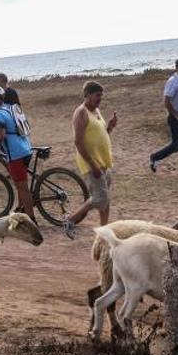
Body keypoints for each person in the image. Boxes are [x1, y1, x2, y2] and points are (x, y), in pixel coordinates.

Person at [65, 81, 117, 239]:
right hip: (91, 163)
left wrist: (110, 127)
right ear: (87, 95)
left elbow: (101, 134)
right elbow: (78, 142)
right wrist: (93, 165)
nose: (100, 99)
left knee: (105, 199)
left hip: (104, 161)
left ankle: (104, 231)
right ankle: (71, 220)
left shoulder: (96, 111)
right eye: (97, 95)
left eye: (101, 96)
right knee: (100, 198)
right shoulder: (81, 113)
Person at [0, 86, 35, 220]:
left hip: (15, 153)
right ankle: (21, 208)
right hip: (25, 148)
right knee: (19, 183)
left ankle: (31, 219)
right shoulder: (10, 107)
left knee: (23, 187)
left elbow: (1, 134)